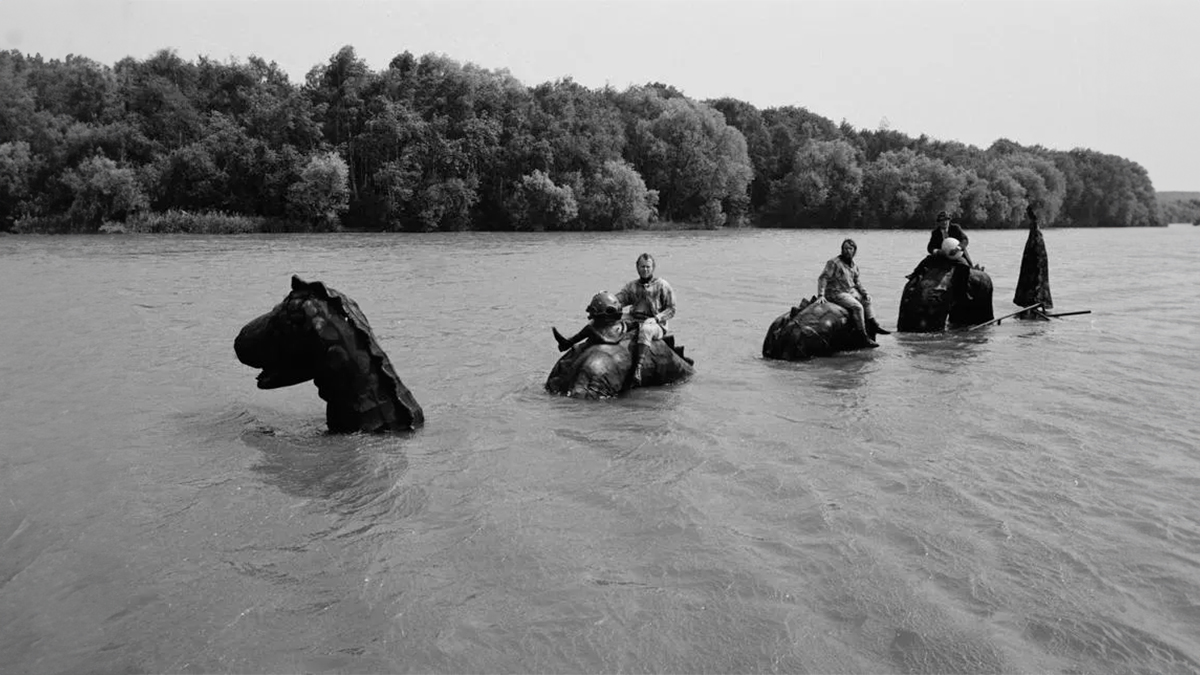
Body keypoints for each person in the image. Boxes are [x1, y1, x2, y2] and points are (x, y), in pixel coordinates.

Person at [615, 253, 676, 386]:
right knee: (611, 324)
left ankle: (638, 368)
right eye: (642, 266)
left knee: (646, 330)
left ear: (653, 267)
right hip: (634, 319)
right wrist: (606, 298)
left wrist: (656, 318)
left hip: (655, 324)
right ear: (637, 267)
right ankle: (573, 342)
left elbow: (671, 309)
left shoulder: (662, 285)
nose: (645, 270)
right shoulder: (632, 286)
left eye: (648, 267)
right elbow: (620, 299)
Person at [815, 238, 889, 347]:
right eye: (845, 248)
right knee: (857, 307)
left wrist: (865, 293)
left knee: (867, 301)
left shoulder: (853, 265)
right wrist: (821, 295)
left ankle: (874, 325)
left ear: (854, 251)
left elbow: (857, 282)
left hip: (849, 291)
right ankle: (863, 336)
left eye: (850, 249)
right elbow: (823, 278)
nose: (847, 251)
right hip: (836, 292)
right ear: (842, 250)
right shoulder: (833, 263)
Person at [552, 291, 629, 352]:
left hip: (608, 335)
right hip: (616, 327)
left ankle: (568, 343)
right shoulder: (623, 325)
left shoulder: (592, 326)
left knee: (590, 327)